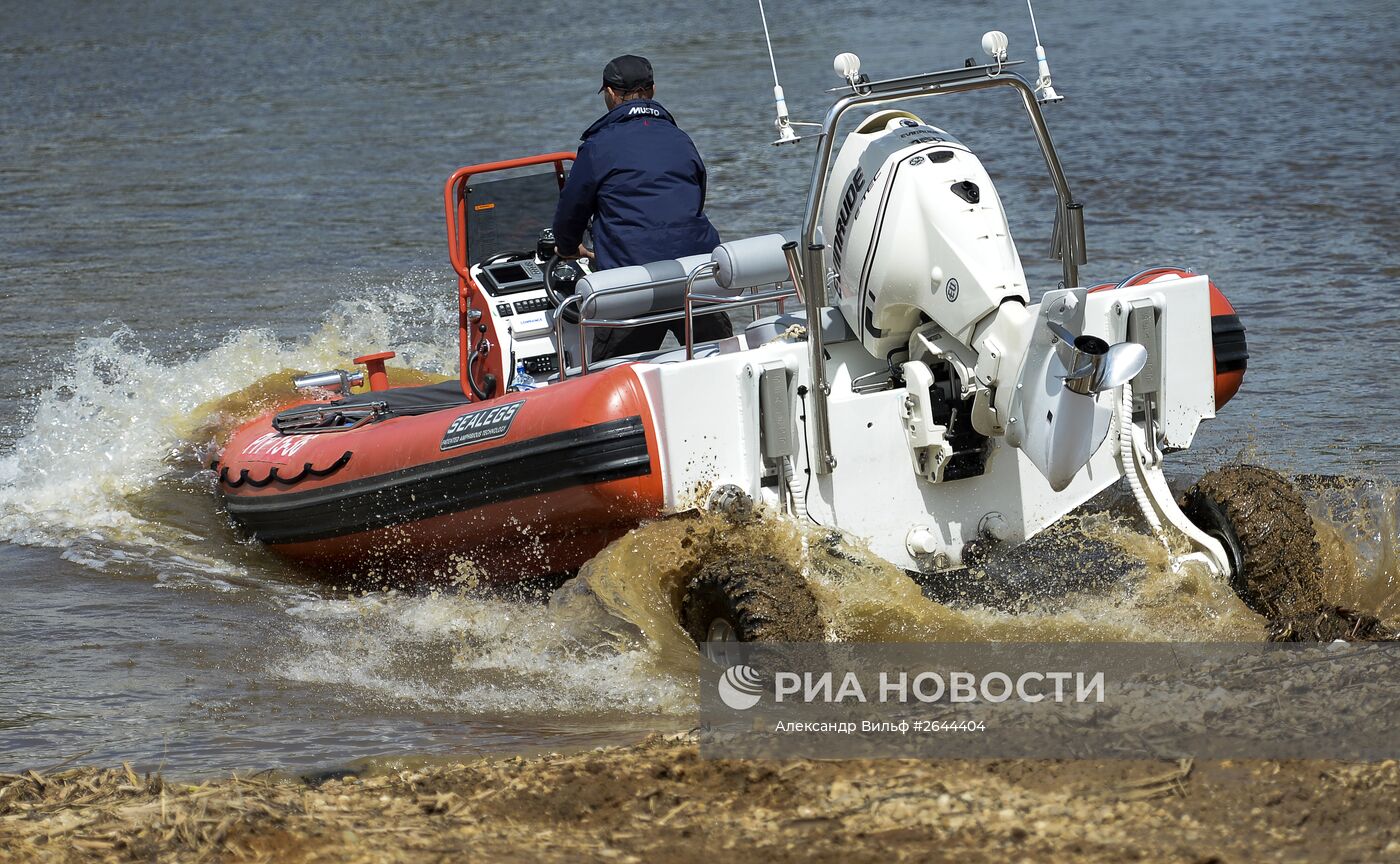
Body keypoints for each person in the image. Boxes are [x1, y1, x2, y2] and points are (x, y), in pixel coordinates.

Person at [552, 54, 731, 361]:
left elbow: (570, 214)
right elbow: (694, 197)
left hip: (634, 283)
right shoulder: (680, 138)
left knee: (609, 377)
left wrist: (570, 248)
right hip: (694, 275)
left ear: (609, 93)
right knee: (724, 358)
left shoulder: (597, 147)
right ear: (653, 89)